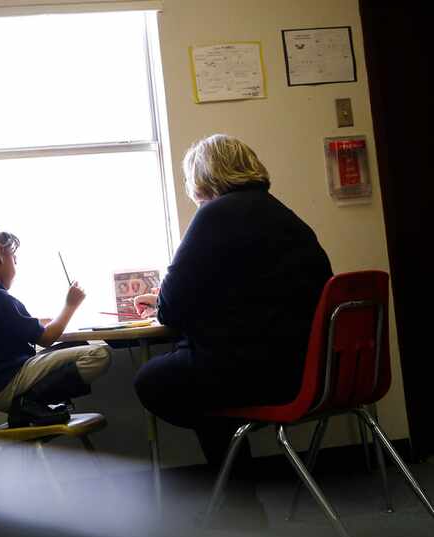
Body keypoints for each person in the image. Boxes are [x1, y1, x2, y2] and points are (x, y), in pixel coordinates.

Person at [133, 134, 332, 516]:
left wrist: (162, 299)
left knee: (155, 380)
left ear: (204, 179)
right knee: (204, 390)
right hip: (308, 370)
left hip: (253, 373)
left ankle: (238, 497)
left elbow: (171, 308)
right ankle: (237, 497)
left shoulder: (216, 214)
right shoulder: (285, 216)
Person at [0, 221, 111, 428]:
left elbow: (11, 327)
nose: (15, 266)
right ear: (1, 254)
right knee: (100, 354)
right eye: (15, 259)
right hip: (9, 384)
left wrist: (42, 321)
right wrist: (70, 305)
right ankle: (27, 403)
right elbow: (46, 339)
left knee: (77, 345)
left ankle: (30, 403)